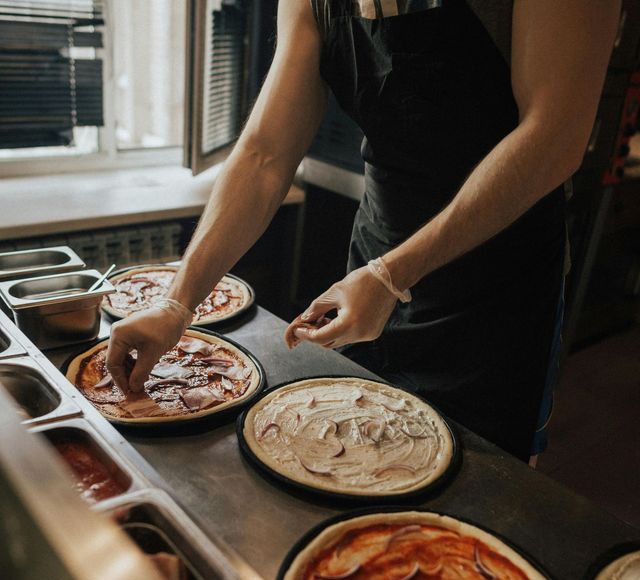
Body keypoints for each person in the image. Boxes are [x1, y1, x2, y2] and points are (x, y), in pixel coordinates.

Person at [107, 0, 620, 461]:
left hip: (497, 290)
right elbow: (265, 154)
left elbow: (554, 135)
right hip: (375, 265)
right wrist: (178, 302)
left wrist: (393, 274)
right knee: (357, 456)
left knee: (480, 484)